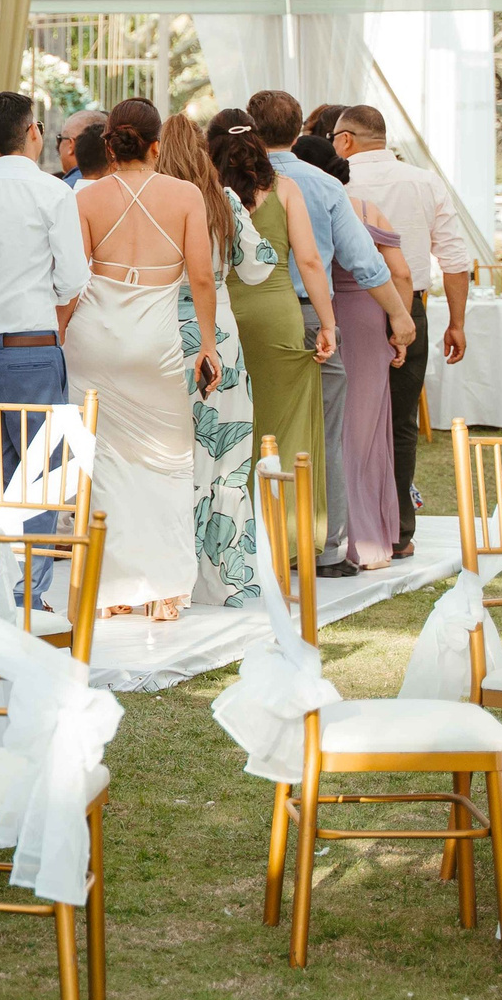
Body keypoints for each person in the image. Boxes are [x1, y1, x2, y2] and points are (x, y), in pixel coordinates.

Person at [248, 89, 410, 577]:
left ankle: (255, 539)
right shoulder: (322, 184)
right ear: (298, 127)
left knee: (254, 428)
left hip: (245, 319)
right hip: (308, 317)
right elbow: (364, 262)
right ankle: (328, 549)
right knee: (326, 432)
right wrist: (399, 315)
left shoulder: (232, 178)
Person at [65, 98, 214, 617]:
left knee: (101, 461)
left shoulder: (86, 198)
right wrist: (209, 343)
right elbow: (201, 277)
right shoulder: (186, 195)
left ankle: (110, 590)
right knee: (166, 462)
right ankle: (164, 590)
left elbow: (73, 280)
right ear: (156, 145)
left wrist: (59, 335)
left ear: (109, 145)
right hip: (154, 340)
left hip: (94, 337)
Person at [333, 104, 472, 557]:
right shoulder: (425, 181)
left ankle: (350, 525)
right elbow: (455, 259)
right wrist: (457, 323)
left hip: (347, 308)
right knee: (401, 422)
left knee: (347, 419)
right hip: (410, 307)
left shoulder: (337, 182)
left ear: (346, 139)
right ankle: (399, 532)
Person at [0, 91, 87, 502]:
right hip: (33, 351)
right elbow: (74, 279)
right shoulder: (54, 192)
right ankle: (34, 550)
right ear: (33, 132)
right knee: (47, 480)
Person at [156, 114, 273, 607]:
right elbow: (259, 266)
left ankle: (167, 574)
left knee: (170, 452)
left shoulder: (152, 199)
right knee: (226, 456)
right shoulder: (222, 200)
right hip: (216, 333)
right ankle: (223, 577)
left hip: (161, 329)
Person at [209, 108, 338, 550]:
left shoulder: (203, 192)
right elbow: (310, 261)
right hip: (277, 314)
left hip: (223, 315)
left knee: (230, 425)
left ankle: (231, 539)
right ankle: (283, 538)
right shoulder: (285, 189)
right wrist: (327, 323)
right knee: (280, 424)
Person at [295, 135, 413, 568]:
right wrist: (399, 324)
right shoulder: (365, 209)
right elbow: (399, 272)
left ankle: (325, 534)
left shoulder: (294, 206)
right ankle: (369, 540)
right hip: (366, 318)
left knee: (328, 429)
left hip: (320, 313)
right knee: (365, 432)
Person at [55, 108, 107, 187]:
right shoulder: (120, 185)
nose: (58, 147)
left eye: (60, 139)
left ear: (71, 145)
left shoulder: (61, 189)